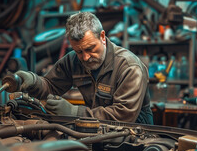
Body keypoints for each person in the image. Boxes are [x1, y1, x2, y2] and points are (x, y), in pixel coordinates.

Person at [16, 12, 153, 124]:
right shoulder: (73, 60)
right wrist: (33, 81)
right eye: (79, 51)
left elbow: (123, 116)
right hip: (96, 132)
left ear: (102, 37)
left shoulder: (128, 67)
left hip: (134, 140)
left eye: (90, 48)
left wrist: (74, 113)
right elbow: (51, 86)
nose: (86, 57)